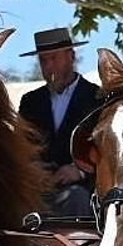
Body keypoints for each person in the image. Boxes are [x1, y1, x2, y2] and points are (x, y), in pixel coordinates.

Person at [17, 27, 100, 218]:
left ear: (71, 56)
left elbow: (107, 149)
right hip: (37, 190)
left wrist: (80, 171)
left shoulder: (96, 98)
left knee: (76, 197)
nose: (49, 67)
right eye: (43, 60)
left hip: (82, 191)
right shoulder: (30, 102)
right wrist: (32, 169)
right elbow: (20, 145)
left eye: (54, 58)